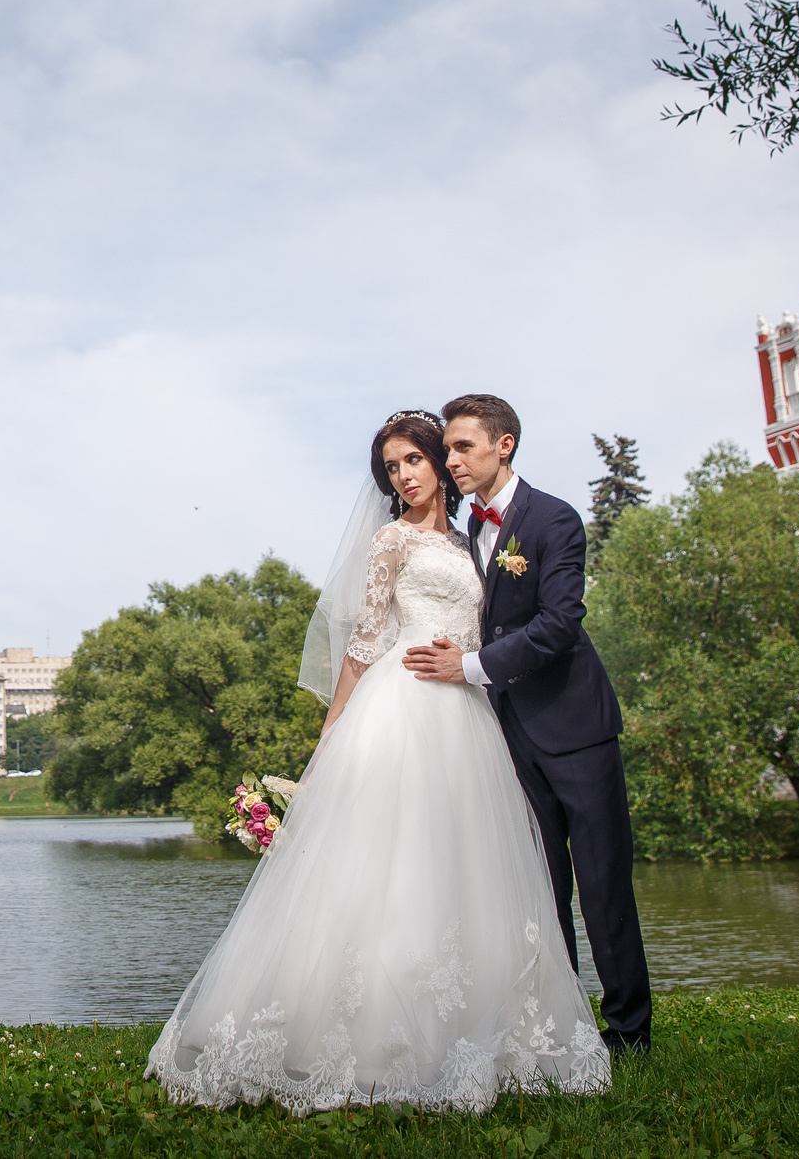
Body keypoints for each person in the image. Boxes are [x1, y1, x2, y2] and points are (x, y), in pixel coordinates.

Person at [146, 409, 609, 1114]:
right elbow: (363, 643)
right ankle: (362, 1038)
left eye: (415, 460)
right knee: (387, 865)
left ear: (441, 464)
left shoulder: (474, 541)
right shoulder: (390, 540)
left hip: (468, 711)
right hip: (402, 704)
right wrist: (332, 734)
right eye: (393, 467)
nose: (405, 475)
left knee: (467, 865)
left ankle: (482, 1027)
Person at [405, 393, 653, 1054]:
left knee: (604, 890)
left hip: (576, 729)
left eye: (463, 447)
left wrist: (473, 665)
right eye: (448, 448)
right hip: (509, 736)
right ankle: (561, 1028)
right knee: (539, 893)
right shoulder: (470, 530)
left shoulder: (553, 519)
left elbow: (559, 621)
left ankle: (630, 1033)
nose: (450, 460)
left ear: (503, 444)